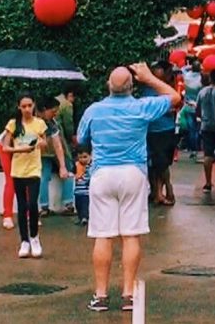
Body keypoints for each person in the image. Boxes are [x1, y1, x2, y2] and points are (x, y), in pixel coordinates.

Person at [77, 64, 180, 313]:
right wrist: (149, 78)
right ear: (132, 87)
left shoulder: (94, 110)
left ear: (108, 86)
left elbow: (81, 139)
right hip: (133, 174)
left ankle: (101, 296)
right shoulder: (141, 107)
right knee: (131, 235)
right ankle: (128, 295)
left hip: (102, 174)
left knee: (103, 235)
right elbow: (175, 98)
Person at [0, 92, 56, 259]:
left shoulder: (39, 124)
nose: (27, 109)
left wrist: (39, 143)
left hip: (33, 169)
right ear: (19, 107)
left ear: (34, 105)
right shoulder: (13, 124)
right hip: (18, 170)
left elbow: (45, 143)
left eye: (29, 106)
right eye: (23, 106)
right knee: (22, 206)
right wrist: (21, 149)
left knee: (32, 204)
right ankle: (24, 240)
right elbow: (5, 147)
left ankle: (34, 237)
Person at [142, 60, 180, 206]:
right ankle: (157, 192)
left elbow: (173, 105)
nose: (154, 72)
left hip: (164, 130)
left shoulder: (165, 88)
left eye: (158, 69)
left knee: (162, 163)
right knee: (155, 164)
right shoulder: (147, 87)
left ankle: (165, 191)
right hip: (152, 130)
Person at [37, 95, 73, 216]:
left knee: (68, 171)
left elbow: (58, 145)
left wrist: (63, 166)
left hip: (54, 152)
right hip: (41, 154)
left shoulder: (52, 123)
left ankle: (68, 205)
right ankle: (44, 207)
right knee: (44, 176)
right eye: (53, 111)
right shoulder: (34, 122)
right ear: (44, 109)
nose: (56, 113)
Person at [180, 57, 202, 161]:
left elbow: (183, 68)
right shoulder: (201, 78)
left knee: (191, 129)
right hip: (198, 106)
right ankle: (196, 149)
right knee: (197, 130)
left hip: (188, 106)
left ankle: (193, 150)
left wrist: (190, 66)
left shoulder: (187, 76)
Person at [74, 145, 92, 226]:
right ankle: (80, 217)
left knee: (85, 206)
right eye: (80, 157)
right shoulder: (77, 166)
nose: (82, 159)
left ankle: (85, 218)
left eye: (85, 157)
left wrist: (81, 179)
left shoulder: (90, 166)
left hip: (86, 192)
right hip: (78, 192)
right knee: (78, 206)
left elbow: (89, 177)